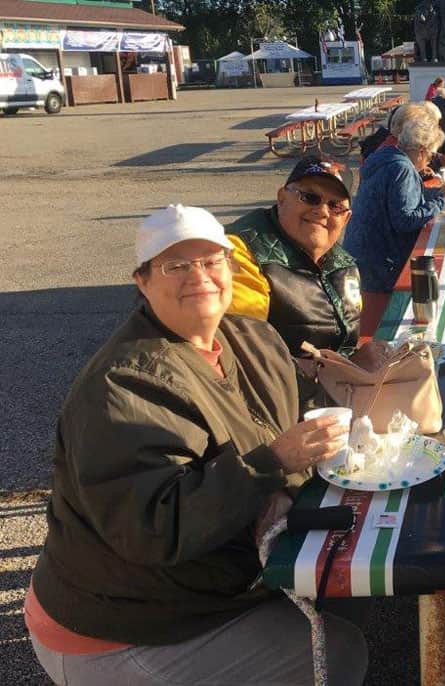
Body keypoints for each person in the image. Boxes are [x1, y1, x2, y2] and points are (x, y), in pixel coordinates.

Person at [26, 204, 369, 686]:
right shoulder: (123, 385)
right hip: (124, 625)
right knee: (338, 654)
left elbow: (303, 405)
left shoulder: (253, 338)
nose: (200, 277)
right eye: (177, 265)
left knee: (350, 578)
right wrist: (275, 461)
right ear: (141, 281)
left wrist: (365, 404)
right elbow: (156, 528)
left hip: (202, 589)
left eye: (212, 262)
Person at [226, 157, 364, 361]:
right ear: (282, 198)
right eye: (310, 197)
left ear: (346, 218)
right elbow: (246, 354)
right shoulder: (241, 251)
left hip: (340, 385)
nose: (322, 211)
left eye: (335, 206)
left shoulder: (342, 262)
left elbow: (347, 341)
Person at [345, 117, 445, 293]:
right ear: (421, 150)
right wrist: (441, 200)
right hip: (378, 263)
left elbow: (402, 197)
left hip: (360, 252)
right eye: (431, 155)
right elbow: (405, 220)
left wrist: (438, 193)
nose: (430, 160)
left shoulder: (386, 156)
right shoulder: (402, 168)